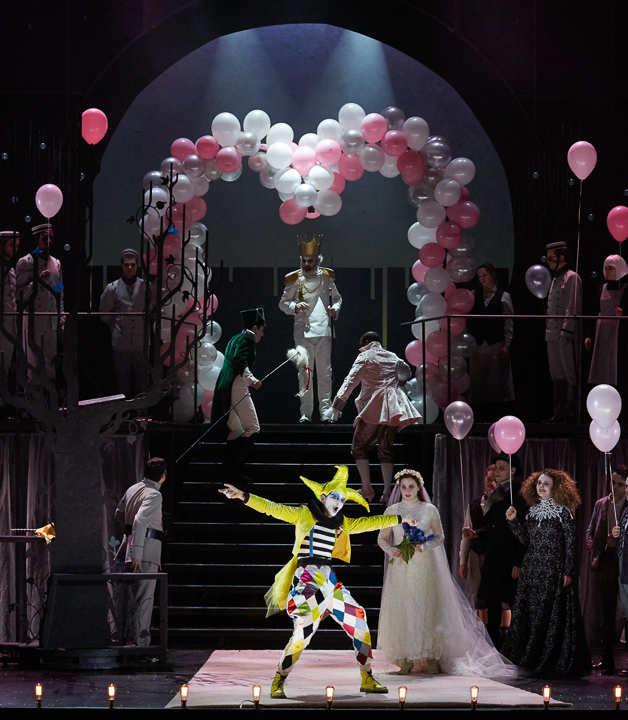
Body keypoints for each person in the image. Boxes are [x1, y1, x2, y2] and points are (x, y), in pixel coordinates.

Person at [219, 465, 419, 698]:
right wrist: (243, 496)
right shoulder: (304, 514)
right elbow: (272, 508)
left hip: (329, 580)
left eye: (342, 500)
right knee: (303, 631)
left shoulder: (342, 523)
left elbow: (370, 522)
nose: (338, 503)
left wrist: (401, 518)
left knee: (359, 620)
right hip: (308, 577)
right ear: (323, 497)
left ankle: (367, 677)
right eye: (335, 497)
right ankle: (279, 680)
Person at [377, 469, 514, 677]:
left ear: (419, 487)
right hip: (402, 568)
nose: (407, 490)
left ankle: (431, 654)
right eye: (403, 487)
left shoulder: (429, 510)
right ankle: (406, 657)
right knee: (405, 609)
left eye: (411, 486)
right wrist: (391, 550)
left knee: (427, 607)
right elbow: (381, 538)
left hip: (425, 566)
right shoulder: (391, 511)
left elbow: (439, 536)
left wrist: (424, 545)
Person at [504, 469, 592, 677]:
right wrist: (513, 521)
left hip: (553, 570)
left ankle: (549, 658)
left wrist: (568, 570)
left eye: (546, 484)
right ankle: (531, 657)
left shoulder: (563, 512)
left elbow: (571, 543)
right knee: (532, 613)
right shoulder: (532, 511)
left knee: (549, 613)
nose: (541, 487)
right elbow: (525, 540)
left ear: (556, 488)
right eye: (539, 483)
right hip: (532, 569)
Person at [330, 331, 421, 504]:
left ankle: (367, 489)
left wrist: (337, 405)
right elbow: (406, 371)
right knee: (386, 448)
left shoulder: (366, 356)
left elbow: (350, 380)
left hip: (375, 406)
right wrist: (397, 383)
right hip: (393, 408)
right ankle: (387, 493)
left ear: (366, 343)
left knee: (358, 447)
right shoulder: (392, 356)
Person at [461, 454, 526, 650]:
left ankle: (516, 647)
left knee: (513, 604)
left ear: (512, 471)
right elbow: (493, 526)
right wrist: (476, 533)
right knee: (492, 605)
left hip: (508, 558)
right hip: (494, 557)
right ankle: (493, 649)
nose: (497, 472)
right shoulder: (496, 495)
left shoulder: (518, 495)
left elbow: (523, 531)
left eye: (501, 468)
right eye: (496, 468)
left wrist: (518, 562)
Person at [279, 234, 341, 423]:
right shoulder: (294, 279)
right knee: (304, 374)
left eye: (311, 260)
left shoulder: (326, 277)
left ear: (317, 260)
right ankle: (306, 413)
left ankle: (325, 412)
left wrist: (335, 309)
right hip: (302, 333)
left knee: (325, 374)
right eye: (304, 260)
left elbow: (337, 298)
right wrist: (295, 306)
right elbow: (283, 303)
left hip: (323, 331)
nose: (307, 264)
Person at [114, 457, 167, 647]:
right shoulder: (154, 494)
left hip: (131, 548)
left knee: (133, 599)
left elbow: (118, 513)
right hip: (145, 551)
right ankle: (139, 646)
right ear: (163, 475)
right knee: (144, 600)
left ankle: (131, 641)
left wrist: (131, 535)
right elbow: (140, 520)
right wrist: (137, 552)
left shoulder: (133, 489)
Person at [211, 308, 265, 479]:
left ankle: (226, 469)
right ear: (255, 328)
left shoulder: (236, 337)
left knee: (236, 429)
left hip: (226, 382)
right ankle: (235, 469)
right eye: (261, 330)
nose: (262, 334)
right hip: (236, 382)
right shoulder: (248, 338)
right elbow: (239, 359)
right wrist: (252, 379)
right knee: (253, 427)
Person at [586, 465, 628, 674]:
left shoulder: (627, 504)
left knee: (626, 612)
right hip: (606, 560)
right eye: (613, 482)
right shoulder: (601, 504)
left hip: (625, 561)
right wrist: (597, 550)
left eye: (620, 484)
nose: (616, 487)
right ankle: (607, 659)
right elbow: (590, 531)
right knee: (607, 612)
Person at [15, 223, 64, 379]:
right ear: (37, 239)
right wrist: (37, 282)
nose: (48, 241)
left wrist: (61, 317)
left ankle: (49, 393)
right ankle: (33, 393)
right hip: (33, 321)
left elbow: (59, 291)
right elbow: (19, 294)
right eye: (44, 237)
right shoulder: (25, 262)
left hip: (50, 320)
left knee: (50, 363)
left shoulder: (56, 263)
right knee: (34, 364)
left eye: (51, 238)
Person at [99, 248, 149, 398]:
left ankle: (142, 410)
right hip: (121, 342)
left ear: (137, 266)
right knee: (122, 380)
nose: (129, 268)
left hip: (141, 341)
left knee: (142, 379)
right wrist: (117, 325)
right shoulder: (112, 287)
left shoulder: (146, 287)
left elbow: (153, 309)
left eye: (132, 264)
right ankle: (124, 410)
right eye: (126, 265)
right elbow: (103, 314)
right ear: (122, 266)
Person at [467, 263, 514, 413]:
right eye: (479, 276)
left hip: (495, 342)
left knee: (496, 379)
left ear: (492, 274)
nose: (482, 279)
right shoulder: (474, 294)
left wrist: (507, 343)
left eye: (485, 275)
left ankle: (496, 412)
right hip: (478, 343)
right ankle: (479, 413)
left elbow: (508, 322)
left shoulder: (504, 296)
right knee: (477, 379)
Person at [545, 242, 582, 422]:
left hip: (565, 334)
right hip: (552, 333)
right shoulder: (554, 279)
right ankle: (559, 412)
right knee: (557, 374)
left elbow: (572, 307)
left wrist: (566, 331)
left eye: (551, 258)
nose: (548, 262)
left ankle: (574, 413)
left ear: (561, 257)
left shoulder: (572, 277)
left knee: (570, 373)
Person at [459, 464, 499, 625]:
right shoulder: (474, 504)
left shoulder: (503, 503)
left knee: (500, 599)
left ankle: (504, 634)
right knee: (479, 598)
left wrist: (477, 533)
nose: (492, 483)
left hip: (496, 555)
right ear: (484, 479)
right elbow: (466, 536)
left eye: (495, 480)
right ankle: (484, 634)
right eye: (489, 479)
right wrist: (463, 562)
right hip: (476, 554)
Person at [585, 255, 628, 401]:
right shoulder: (600, 288)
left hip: (618, 332)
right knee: (601, 365)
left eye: (611, 268)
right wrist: (589, 334)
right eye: (606, 268)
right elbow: (593, 311)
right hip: (601, 331)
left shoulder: (626, 288)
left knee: (615, 365)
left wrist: (623, 313)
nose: (607, 271)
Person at [0, 230, 19, 371]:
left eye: (17, 246)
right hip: (2, 322)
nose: (15, 249)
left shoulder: (11, 269)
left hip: (11, 324)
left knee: (5, 366)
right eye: (12, 245)